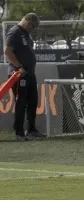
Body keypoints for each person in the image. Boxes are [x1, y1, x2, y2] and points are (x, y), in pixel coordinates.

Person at [3, 13, 46, 141]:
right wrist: (19, 66)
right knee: (21, 102)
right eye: (32, 26)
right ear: (27, 22)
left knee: (33, 100)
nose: (33, 29)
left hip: (29, 73)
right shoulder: (15, 32)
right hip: (19, 74)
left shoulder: (25, 33)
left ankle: (31, 129)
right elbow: (7, 51)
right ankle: (19, 132)